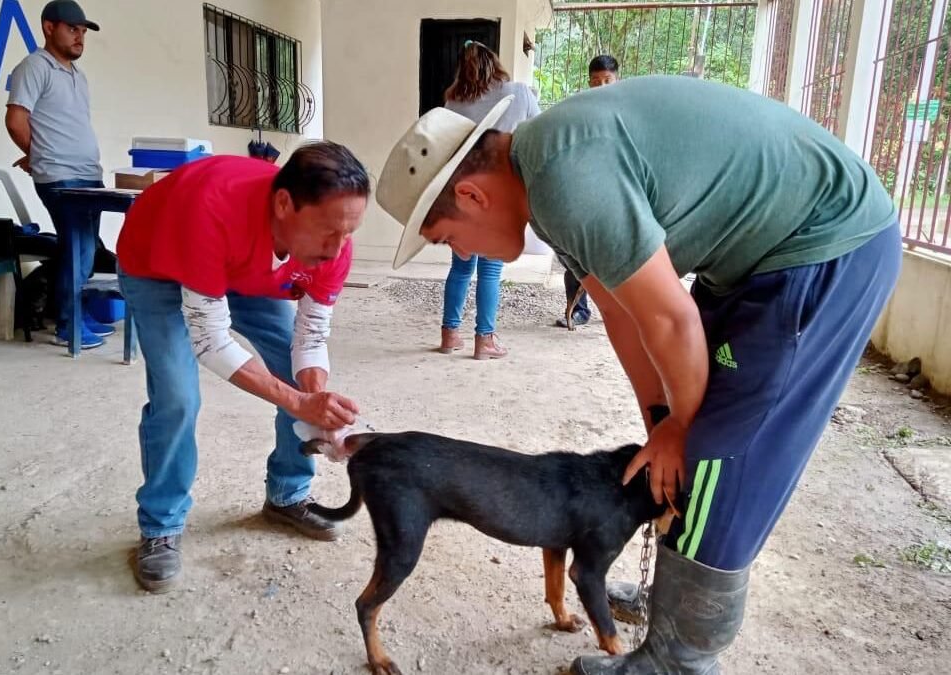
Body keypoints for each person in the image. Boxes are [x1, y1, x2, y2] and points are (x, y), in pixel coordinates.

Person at [376, 75, 900, 672]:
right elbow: (624, 316)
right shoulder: (546, 183)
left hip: (822, 245)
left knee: (720, 452)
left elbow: (672, 321)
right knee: (682, 448)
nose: (462, 254)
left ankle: (679, 658)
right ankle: (671, 603)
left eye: (447, 240)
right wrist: (660, 422)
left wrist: (682, 425)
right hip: (757, 259)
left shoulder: (563, 177)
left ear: (471, 196)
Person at [115, 144, 369, 593]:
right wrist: (298, 403)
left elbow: (308, 339)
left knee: (295, 377)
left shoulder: (333, 245)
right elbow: (211, 340)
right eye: (328, 231)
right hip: (157, 262)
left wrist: (314, 402)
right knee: (177, 397)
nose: (337, 249)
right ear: (285, 204)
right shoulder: (210, 210)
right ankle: (160, 525)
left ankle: (287, 495)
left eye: (348, 233)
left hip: (245, 266)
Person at [6, 0, 112, 349]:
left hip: (86, 175)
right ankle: (69, 324)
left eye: (83, 31)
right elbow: (16, 120)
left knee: (86, 247)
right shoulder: (34, 67)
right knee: (77, 248)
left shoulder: (77, 76)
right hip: (62, 178)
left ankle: (78, 312)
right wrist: (39, 158)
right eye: (72, 29)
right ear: (49, 27)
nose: (80, 37)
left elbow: (61, 125)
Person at [436, 40, 540, 360]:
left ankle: (450, 335)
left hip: (463, 191)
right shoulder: (518, 93)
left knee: (461, 268)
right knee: (491, 272)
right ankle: (485, 340)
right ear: (495, 65)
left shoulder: (453, 101)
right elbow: (538, 132)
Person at [557, 54, 621, 328]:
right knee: (575, 252)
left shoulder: (627, 107)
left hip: (618, 190)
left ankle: (619, 309)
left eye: (607, 80)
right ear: (588, 81)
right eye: (596, 81)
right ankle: (578, 309)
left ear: (617, 79)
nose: (601, 86)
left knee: (617, 255)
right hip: (585, 187)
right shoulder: (579, 109)